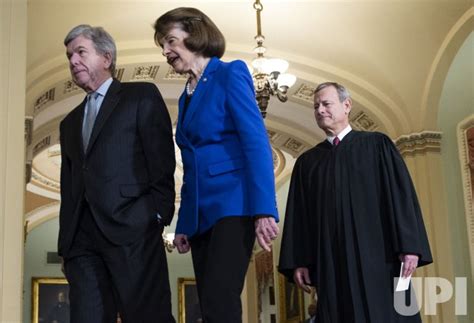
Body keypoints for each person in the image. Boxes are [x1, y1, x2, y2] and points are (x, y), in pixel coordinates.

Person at [153, 7, 279, 322]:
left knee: (221, 300)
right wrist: (184, 224)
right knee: (209, 306)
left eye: (170, 41)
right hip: (201, 215)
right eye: (162, 46)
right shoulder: (186, 97)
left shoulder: (230, 73)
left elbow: (255, 142)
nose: (166, 52)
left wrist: (264, 208)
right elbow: (190, 165)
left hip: (234, 206)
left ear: (195, 34)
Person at [278, 82, 433, 322]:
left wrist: (409, 246)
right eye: (316, 106)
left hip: (380, 257)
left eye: (326, 104)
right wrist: (299, 260)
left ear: (346, 105)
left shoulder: (377, 146)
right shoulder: (307, 163)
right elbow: (300, 217)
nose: (320, 110)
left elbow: (399, 196)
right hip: (332, 262)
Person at [58, 24, 176, 323]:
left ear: (106, 58)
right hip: (82, 242)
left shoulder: (141, 96)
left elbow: (161, 160)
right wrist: (66, 246)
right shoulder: (69, 123)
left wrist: (157, 215)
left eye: (81, 52)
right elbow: (68, 187)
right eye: (70, 55)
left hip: (132, 229)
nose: (73, 61)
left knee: (148, 316)